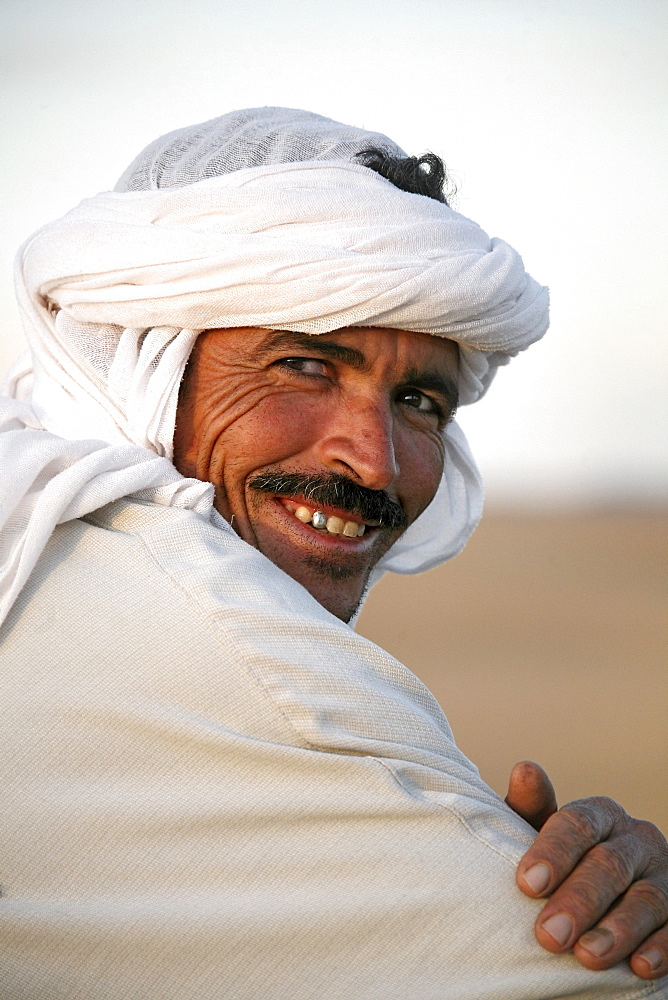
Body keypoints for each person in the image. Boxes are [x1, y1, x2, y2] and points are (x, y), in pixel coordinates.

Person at [0, 108, 665, 999]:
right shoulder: (241, 647)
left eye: (421, 402)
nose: (376, 459)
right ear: (145, 360)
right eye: (306, 366)